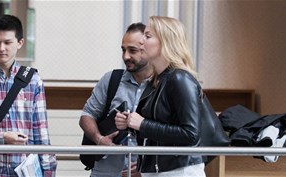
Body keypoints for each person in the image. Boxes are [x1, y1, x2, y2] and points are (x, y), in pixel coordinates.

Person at [114, 16, 207, 176]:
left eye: (148, 36)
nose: (141, 41)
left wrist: (142, 124)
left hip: (179, 170)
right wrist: (130, 124)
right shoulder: (158, 80)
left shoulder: (180, 78)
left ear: (165, 42)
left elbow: (191, 134)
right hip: (160, 169)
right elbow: (160, 127)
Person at [0, 15, 56, 177]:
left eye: (7, 42)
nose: (1, 48)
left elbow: (41, 133)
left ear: (20, 43)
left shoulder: (33, 81)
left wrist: (48, 171)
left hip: (24, 172)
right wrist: (2, 138)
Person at [79, 23, 149, 177]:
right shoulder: (111, 79)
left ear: (149, 50)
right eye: (123, 50)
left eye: (132, 50)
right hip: (104, 172)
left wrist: (148, 167)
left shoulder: (162, 86)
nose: (125, 56)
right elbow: (86, 116)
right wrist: (99, 139)